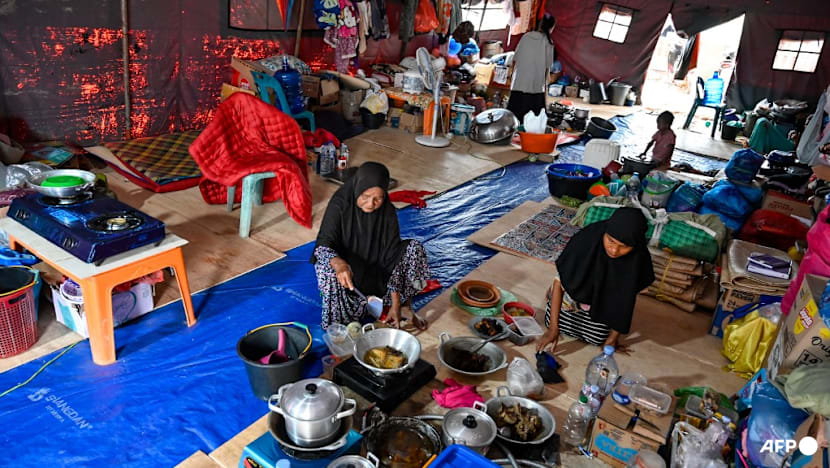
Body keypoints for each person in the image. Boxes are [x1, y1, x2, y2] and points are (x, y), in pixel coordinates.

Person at [312, 162, 430, 329]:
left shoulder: (387, 211)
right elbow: (323, 244)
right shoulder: (341, 203)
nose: (370, 204)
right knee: (326, 267)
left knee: (414, 248)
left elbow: (392, 257)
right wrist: (339, 264)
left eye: (378, 199)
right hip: (348, 278)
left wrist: (396, 304)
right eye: (365, 196)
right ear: (358, 189)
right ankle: (339, 323)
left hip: (377, 276)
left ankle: (406, 307)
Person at [536, 208, 654, 354]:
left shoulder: (637, 259)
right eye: (611, 241)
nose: (614, 250)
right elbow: (559, 282)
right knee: (551, 320)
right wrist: (553, 329)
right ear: (605, 232)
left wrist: (612, 339)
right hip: (572, 296)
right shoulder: (585, 241)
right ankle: (556, 294)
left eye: (624, 246)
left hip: (599, 302)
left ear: (634, 246)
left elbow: (626, 300)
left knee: (596, 337)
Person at [507, 15, 556, 121]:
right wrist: (544, 86)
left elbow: (515, 58)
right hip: (536, 86)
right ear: (551, 28)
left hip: (519, 82)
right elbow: (548, 67)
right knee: (533, 116)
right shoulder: (548, 42)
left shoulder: (526, 36)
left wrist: (512, 76)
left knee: (515, 113)